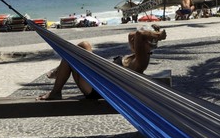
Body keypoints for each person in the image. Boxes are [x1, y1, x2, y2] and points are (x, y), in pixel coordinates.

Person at [38, 25, 167, 100]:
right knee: (79, 49)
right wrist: (151, 34)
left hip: (97, 90)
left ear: (146, 43)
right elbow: (131, 34)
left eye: (138, 40)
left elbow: (138, 33)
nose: (133, 40)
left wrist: (158, 35)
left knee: (77, 50)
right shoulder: (135, 55)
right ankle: (57, 84)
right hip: (97, 82)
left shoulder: (142, 61)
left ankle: (56, 89)